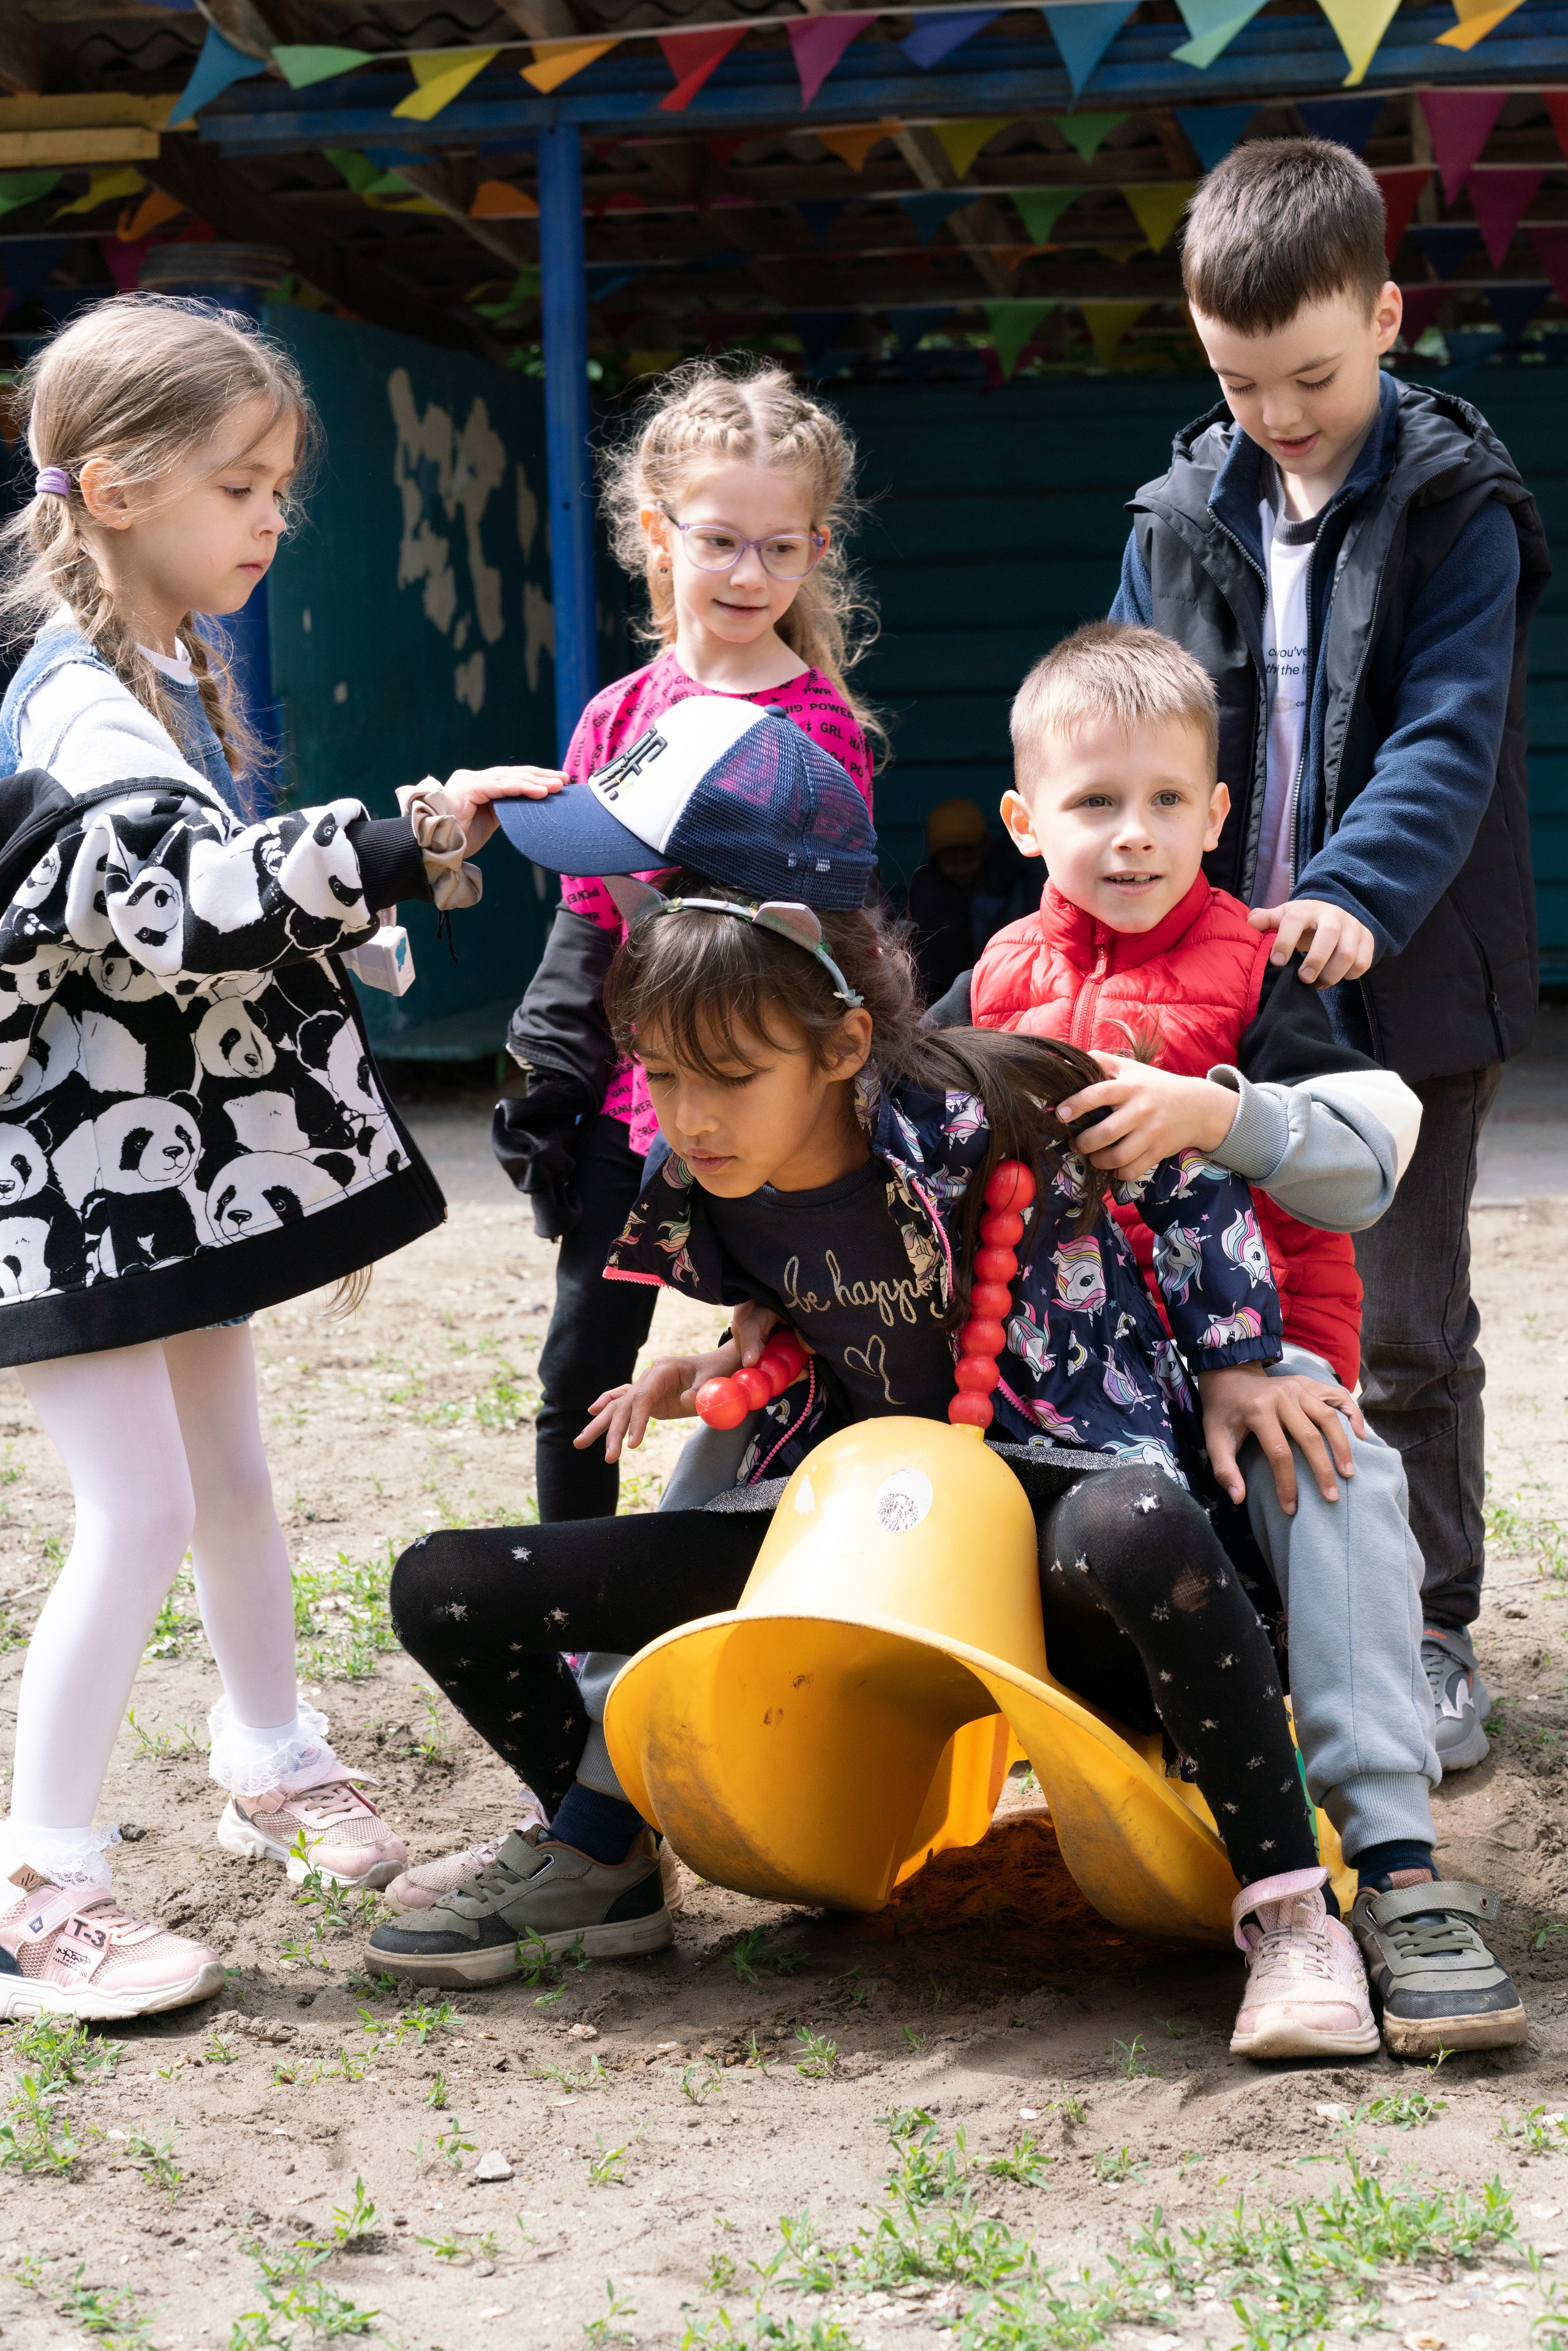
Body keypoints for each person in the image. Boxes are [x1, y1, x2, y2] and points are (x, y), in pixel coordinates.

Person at [371, 734, 1390, 2062]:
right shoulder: (699, 1180)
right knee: (444, 1583)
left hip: (1061, 1518)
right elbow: (804, 1317)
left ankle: (1287, 1908)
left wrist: (1242, 1351)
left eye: (729, 1079)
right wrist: (723, 1369)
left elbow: (1181, 1174)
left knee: (1143, 1525)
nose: (691, 1118)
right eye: (662, 1077)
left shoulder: (991, 1097)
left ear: (844, 1042)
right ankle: (600, 1844)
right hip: (862, 1543)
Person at [0, 293, 556, 2020]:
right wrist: (413, 833)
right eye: (239, 485)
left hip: (142, 1174)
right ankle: (42, 1881)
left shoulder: (152, 669)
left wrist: (370, 905)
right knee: (146, 1498)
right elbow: (182, 903)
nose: (266, 519)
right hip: (64, 1192)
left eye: (277, 489)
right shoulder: (80, 705)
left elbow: (199, 910)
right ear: (110, 488)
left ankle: (269, 1751)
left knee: (231, 1476)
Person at [956, 621, 1523, 2056]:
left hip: (1263, 1359)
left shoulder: (1258, 976)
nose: (1130, 836)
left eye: (1163, 802)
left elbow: (1359, 1163)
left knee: (1333, 1473)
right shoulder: (992, 984)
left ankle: (1393, 1866)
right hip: (1063, 1383)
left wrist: (1221, 1111)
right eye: (1092, 804)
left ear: (1216, 813)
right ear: (1025, 819)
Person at [1110, 136, 1551, 1773]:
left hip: (1409, 985)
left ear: (1386, 313)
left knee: (1405, 1316)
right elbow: (1119, 702)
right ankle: (1254, 1604)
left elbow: (1447, 732)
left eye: (1309, 373)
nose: (1279, 414)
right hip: (1214, 985)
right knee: (1213, 1296)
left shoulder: (1459, 507)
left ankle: (1427, 1625)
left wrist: (1357, 883)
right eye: (1240, 382)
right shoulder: (1175, 513)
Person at [492, 360, 875, 1533]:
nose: (749, 573)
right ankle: (573, 1603)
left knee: (796, 1347)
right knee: (578, 1369)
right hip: (629, 1103)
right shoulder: (616, 714)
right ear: (658, 534)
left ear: (816, 549)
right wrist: (553, 1053)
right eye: (720, 541)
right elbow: (591, 908)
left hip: (759, 1104)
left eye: (780, 547)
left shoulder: (819, 729)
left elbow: (831, 938)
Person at [907, 799, 989, 1002]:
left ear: (983, 850)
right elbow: (922, 954)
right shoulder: (927, 889)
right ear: (937, 859)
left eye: (968, 860)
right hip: (940, 990)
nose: (961, 870)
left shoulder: (996, 880)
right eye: (951, 863)